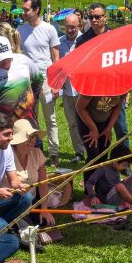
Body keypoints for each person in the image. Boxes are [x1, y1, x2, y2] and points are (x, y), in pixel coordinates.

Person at [76, 2, 130, 154]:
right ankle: (98, 157)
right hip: (93, 91)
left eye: (97, 17)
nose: (94, 20)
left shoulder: (116, 37)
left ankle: (123, 160)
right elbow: (78, 66)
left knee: (121, 127)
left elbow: (124, 63)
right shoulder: (83, 40)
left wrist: (126, 89)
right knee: (96, 126)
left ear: (105, 17)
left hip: (114, 88)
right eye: (91, 17)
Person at [18, 0, 60, 165]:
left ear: (36, 10)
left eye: (26, 9)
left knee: (50, 118)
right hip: (28, 82)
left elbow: (56, 59)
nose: (23, 12)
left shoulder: (49, 29)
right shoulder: (20, 30)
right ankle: (34, 149)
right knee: (30, 117)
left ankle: (54, 153)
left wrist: (56, 84)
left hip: (46, 80)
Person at [9, 119, 73, 225]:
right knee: (23, 227)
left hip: (32, 202)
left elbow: (43, 183)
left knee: (45, 222)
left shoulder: (37, 153)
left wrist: (44, 209)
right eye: (29, 137)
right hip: (11, 203)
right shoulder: (7, 155)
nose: (33, 140)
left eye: (34, 136)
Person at [0, 36, 43, 130]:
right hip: (4, 125)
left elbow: (39, 80)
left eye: (7, 56)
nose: (5, 61)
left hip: (29, 119)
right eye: (0, 58)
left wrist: (33, 99)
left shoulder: (23, 60)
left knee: (34, 139)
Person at [84, 144, 132, 210]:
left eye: (127, 165)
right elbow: (89, 183)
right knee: (120, 186)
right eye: (124, 165)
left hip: (118, 193)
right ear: (114, 161)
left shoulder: (116, 167)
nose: (125, 168)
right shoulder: (102, 168)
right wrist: (93, 196)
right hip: (107, 198)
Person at [58, 13, 85, 163]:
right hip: (67, 90)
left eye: (73, 27)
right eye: (68, 27)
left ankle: (91, 151)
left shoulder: (85, 40)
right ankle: (79, 152)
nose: (70, 30)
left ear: (79, 26)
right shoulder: (59, 42)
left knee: (87, 121)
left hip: (83, 90)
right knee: (73, 123)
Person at [75, 93, 126, 167]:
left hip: (104, 120)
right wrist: (93, 129)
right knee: (93, 154)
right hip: (87, 119)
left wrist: (109, 128)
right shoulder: (93, 87)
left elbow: (117, 107)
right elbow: (79, 108)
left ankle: (101, 174)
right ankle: (90, 174)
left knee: (104, 151)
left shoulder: (123, 89)